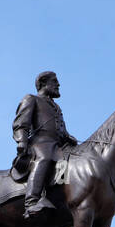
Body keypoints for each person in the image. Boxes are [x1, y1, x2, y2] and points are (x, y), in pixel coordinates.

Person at [12, 71, 78, 216]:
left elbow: (61, 130)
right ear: (43, 83)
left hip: (57, 146)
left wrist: (68, 137)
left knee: (67, 163)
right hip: (40, 144)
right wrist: (22, 141)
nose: (58, 84)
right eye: (54, 81)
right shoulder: (32, 99)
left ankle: (57, 199)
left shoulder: (57, 107)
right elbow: (21, 123)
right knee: (45, 158)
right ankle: (31, 202)